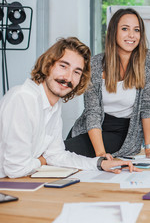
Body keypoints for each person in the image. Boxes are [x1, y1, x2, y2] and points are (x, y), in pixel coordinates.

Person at [0, 37, 139, 178]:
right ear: (48, 65)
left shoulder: (53, 107)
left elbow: (57, 155)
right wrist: (43, 160)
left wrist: (100, 163)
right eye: (63, 66)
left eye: (76, 72)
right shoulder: (22, 99)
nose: (68, 77)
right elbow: (15, 169)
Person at [64, 8, 150, 159]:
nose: (131, 35)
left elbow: (148, 106)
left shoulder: (148, 60)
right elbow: (93, 112)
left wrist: (149, 149)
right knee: (59, 153)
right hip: (91, 128)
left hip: (121, 133)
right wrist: (101, 155)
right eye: (124, 29)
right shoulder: (95, 64)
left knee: (60, 153)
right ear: (113, 32)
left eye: (137, 30)